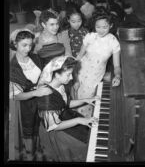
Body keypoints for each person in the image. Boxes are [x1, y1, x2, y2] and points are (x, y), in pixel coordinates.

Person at [36, 55, 100, 161]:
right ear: (56, 74)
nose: (71, 78)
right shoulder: (46, 98)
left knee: (89, 134)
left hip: (63, 118)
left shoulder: (59, 85)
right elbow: (54, 126)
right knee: (84, 148)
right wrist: (79, 120)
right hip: (56, 131)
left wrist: (86, 100)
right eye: (68, 74)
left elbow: (64, 104)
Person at [9, 30, 52, 161]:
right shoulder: (13, 67)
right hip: (25, 105)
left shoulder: (34, 57)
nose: (28, 49)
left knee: (40, 127)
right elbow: (16, 96)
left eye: (30, 45)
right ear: (15, 44)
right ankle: (30, 155)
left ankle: (41, 153)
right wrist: (36, 92)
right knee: (29, 130)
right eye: (24, 45)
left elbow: (43, 74)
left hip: (40, 101)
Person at [75, 9, 121, 117]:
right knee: (75, 97)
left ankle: (86, 126)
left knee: (87, 102)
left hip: (94, 77)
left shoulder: (113, 42)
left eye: (104, 27)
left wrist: (118, 76)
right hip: (81, 71)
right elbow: (79, 56)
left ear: (111, 25)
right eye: (98, 27)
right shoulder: (90, 36)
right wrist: (72, 71)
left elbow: (117, 65)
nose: (101, 30)